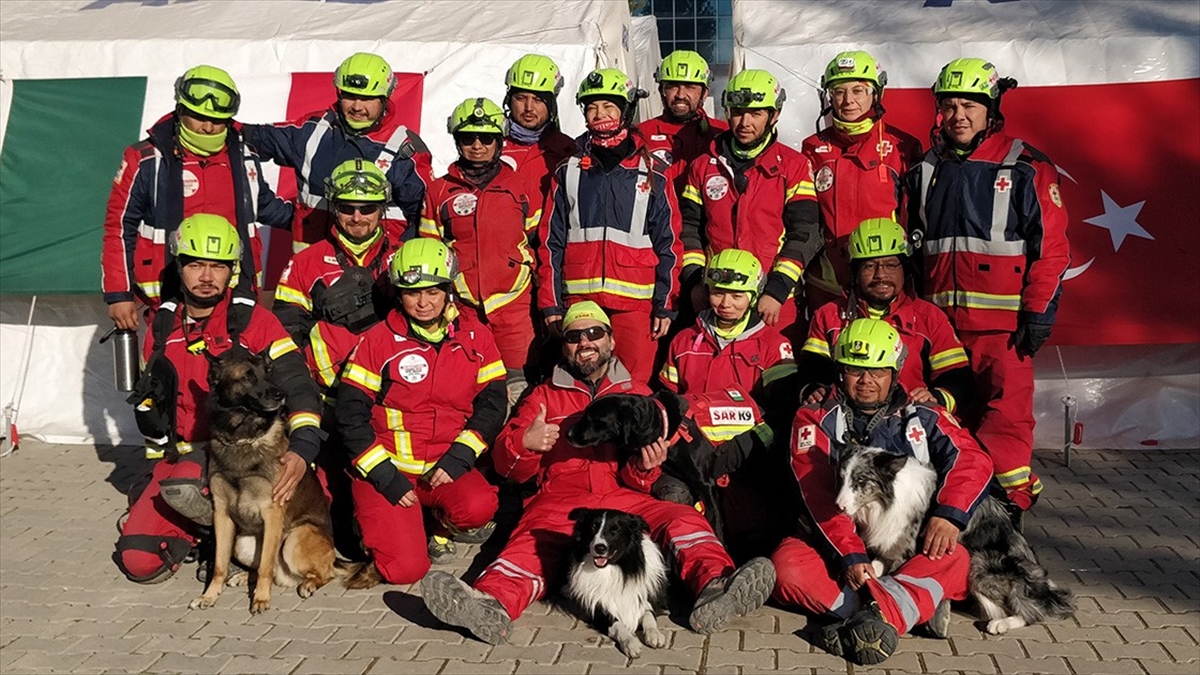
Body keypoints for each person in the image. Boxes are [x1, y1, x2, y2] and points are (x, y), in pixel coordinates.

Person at [421, 301, 776, 644]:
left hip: (624, 499)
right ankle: (490, 604)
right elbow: (506, 467)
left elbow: (643, 478)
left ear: (611, 340)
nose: (585, 342)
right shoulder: (543, 396)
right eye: (574, 336)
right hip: (562, 499)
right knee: (531, 541)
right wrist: (525, 443)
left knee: (683, 519)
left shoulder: (636, 393)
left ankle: (717, 586)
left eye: (594, 333)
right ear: (564, 347)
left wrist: (644, 468)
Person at [771, 318, 993, 665]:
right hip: (838, 545)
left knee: (954, 558)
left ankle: (868, 616)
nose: (866, 382)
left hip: (906, 547)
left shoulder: (922, 413)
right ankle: (903, 611)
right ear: (840, 371)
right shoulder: (814, 417)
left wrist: (949, 515)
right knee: (786, 566)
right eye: (855, 371)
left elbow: (973, 460)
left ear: (896, 371)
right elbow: (816, 494)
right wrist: (851, 556)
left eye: (878, 371)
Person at [114, 215, 322, 583]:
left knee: (188, 487)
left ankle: (214, 534)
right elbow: (152, 408)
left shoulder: (254, 322)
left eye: (218, 266)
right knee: (138, 560)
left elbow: (298, 384)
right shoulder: (160, 329)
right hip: (183, 458)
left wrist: (303, 450)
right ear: (178, 267)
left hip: (241, 456)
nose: (207, 277)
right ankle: (200, 530)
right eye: (195, 264)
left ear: (232, 272)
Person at [906, 58, 1070, 518]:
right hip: (940, 331)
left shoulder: (1025, 167)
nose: (958, 115)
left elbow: (1052, 249)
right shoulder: (923, 171)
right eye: (950, 105)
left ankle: (1006, 524)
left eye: (970, 105)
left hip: (1003, 331)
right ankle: (949, 522)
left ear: (991, 108)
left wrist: (1038, 312)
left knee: (1004, 426)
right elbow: (914, 254)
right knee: (943, 423)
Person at [336, 239, 506, 584]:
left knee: (479, 506)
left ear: (448, 291)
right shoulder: (378, 341)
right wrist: (385, 476)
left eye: (433, 292)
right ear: (399, 294)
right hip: (388, 472)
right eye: (413, 293)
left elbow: (493, 403)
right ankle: (374, 523)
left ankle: (432, 523)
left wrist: (460, 457)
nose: (423, 303)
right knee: (404, 571)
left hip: (442, 468)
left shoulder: (477, 337)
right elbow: (351, 415)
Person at [102, 64, 292, 327]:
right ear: (180, 110)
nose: (207, 127)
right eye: (198, 116)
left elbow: (266, 207)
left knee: (238, 366)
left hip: (236, 290)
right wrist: (118, 294)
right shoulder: (145, 159)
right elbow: (119, 229)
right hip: (169, 290)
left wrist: (327, 218)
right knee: (173, 366)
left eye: (216, 120)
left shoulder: (245, 154)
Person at [538, 67, 681, 385]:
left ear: (626, 109)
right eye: (591, 107)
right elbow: (551, 242)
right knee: (581, 382)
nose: (599, 114)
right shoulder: (568, 170)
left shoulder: (653, 171)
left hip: (635, 305)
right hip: (580, 301)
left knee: (634, 385)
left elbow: (669, 242)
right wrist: (550, 303)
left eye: (609, 106)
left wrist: (665, 304)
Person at [680, 69, 819, 343]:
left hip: (772, 300)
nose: (744, 122)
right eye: (737, 112)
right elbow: (688, 229)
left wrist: (777, 289)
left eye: (755, 113)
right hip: (717, 297)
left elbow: (805, 233)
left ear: (774, 115)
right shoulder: (702, 166)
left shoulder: (793, 167)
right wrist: (695, 280)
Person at [421, 98, 542, 403]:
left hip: (514, 309)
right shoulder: (439, 192)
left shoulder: (522, 188)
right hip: (462, 309)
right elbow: (430, 253)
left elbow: (540, 244)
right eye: (467, 137)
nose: (477, 145)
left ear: (500, 140)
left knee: (519, 392)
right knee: (465, 390)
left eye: (486, 138)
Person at [244, 52, 432, 248]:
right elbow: (249, 139)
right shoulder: (312, 131)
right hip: (311, 272)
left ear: (385, 98)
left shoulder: (405, 149)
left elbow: (426, 225)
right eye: (350, 96)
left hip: (377, 273)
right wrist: (277, 212)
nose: (357, 107)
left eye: (367, 99)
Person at [800, 218, 972, 416]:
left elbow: (958, 377)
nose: (880, 275)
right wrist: (813, 389)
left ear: (904, 269)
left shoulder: (930, 318)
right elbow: (813, 368)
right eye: (870, 266)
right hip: (844, 423)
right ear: (855, 271)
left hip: (911, 423)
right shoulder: (828, 316)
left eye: (890, 265)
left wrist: (938, 397)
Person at [800, 51, 922, 313]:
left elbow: (915, 217)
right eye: (839, 91)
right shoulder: (812, 148)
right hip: (827, 281)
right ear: (828, 96)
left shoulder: (902, 147)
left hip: (882, 282)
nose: (848, 100)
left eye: (858, 90)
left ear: (875, 94)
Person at [274, 158, 397, 392]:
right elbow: (286, 332)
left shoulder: (403, 258)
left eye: (368, 208)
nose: (357, 217)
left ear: (382, 208)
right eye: (347, 208)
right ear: (334, 207)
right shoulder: (304, 262)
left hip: (390, 394)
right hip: (326, 393)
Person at [638, 49, 728, 197]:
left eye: (690, 87)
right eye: (673, 86)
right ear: (662, 90)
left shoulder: (722, 135)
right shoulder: (641, 136)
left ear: (704, 93)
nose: (680, 95)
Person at [500, 53, 578, 202]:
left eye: (538, 100)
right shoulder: (490, 146)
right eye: (521, 98)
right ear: (509, 100)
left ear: (551, 104)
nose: (529, 107)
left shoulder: (567, 151)